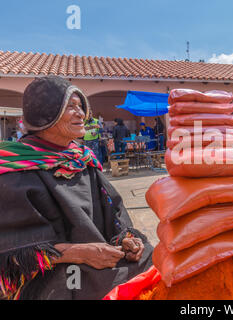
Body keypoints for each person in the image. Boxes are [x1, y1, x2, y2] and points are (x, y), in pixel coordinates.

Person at [0, 76, 153, 300]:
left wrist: (126, 239)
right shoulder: (14, 168)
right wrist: (79, 253)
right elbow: (14, 252)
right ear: (45, 113)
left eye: (81, 107)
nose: (81, 114)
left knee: (152, 259)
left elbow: (113, 210)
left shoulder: (83, 159)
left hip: (100, 257)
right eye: (70, 107)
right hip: (55, 269)